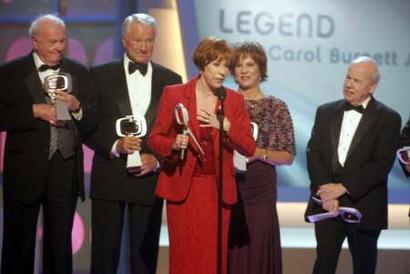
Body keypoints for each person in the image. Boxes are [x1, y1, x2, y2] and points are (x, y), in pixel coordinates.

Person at [148, 37, 256, 274]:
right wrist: (174, 143)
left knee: (213, 256)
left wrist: (226, 126)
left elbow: (249, 147)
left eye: (226, 66)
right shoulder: (174, 94)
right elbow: (155, 138)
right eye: (216, 65)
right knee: (184, 255)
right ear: (202, 64)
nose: (222, 72)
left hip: (217, 191)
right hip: (183, 189)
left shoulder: (233, 100)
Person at [85, 13, 182, 274]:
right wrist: (115, 146)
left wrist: (159, 160)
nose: (144, 46)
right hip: (110, 174)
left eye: (149, 40)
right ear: (125, 40)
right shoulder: (98, 75)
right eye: (138, 40)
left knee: (144, 258)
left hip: (149, 179)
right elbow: (87, 127)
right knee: (104, 258)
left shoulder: (172, 80)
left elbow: (176, 133)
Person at [0, 14, 94, 274]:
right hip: (24, 171)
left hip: (64, 171)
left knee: (59, 247)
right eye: (52, 42)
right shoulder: (10, 73)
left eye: (63, 41)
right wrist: (33, 110)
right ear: (35, 42)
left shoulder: (78, 72)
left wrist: (77, 108)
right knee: (18, 246)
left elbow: (92, 119)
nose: (59, 47)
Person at [304, 56, 401, 274]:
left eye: (356, 80)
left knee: (364, 266)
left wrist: (343, 188)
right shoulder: (325, 111)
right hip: (327, 205)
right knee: (323, 265)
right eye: (348, 77)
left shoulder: (388, 118)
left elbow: (381, 164)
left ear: (372, 86)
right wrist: (327, 194)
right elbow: (314, 153)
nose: (348, 84)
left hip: (364, 205)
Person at [228, 42, 295, 274]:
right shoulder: (222, 103)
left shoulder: (276, 107)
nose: (244, 70)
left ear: (261, 69)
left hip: (260, 191)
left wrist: (257, 154)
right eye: (238, 65)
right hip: (227, 188)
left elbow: (287, 156)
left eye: (250, 64)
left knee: (257, 255)